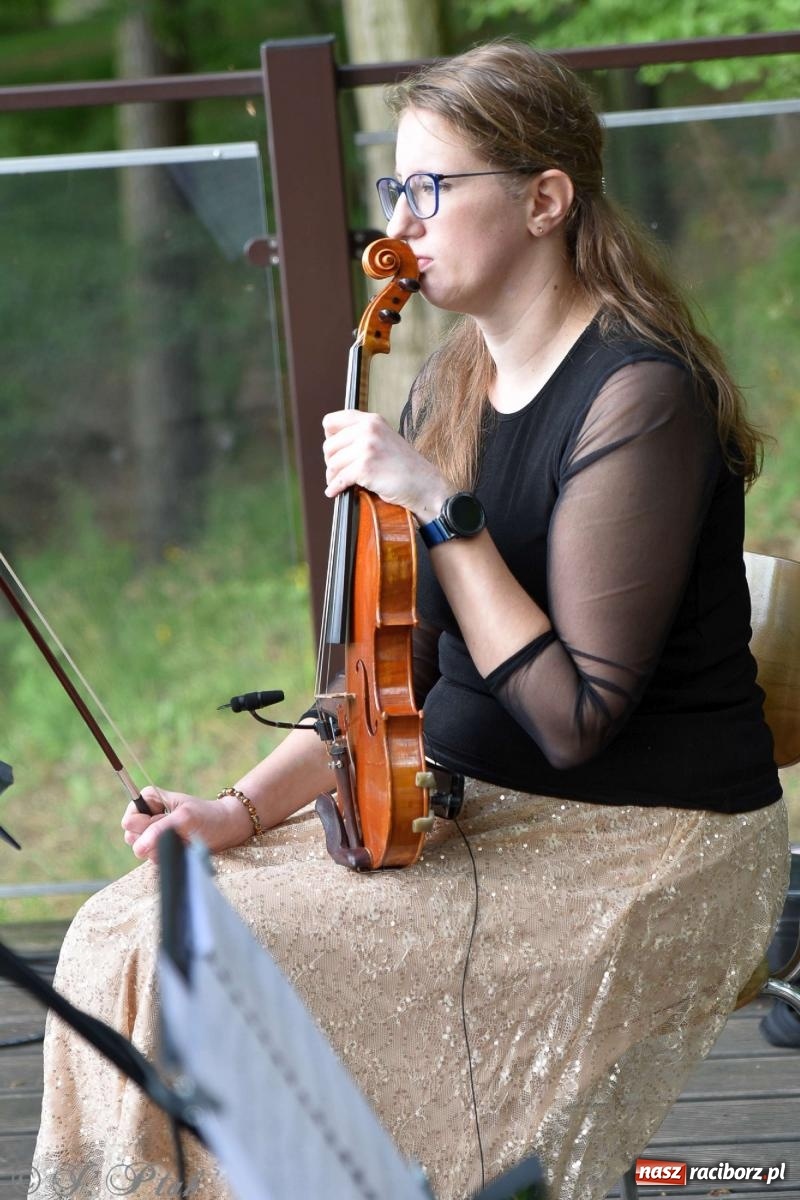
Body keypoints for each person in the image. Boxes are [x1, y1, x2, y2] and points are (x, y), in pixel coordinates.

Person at [32, 39, 787, 1200]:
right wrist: (237, 811)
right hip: (462, 807)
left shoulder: (640, 397)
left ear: (543, 201)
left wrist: (441, 509)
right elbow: (388, 682)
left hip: (639, 838)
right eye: (395, 189)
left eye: (433, 188)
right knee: (122, 931)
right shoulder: (448, 383)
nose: (403, 221)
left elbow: (571, 719)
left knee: (223, 966)